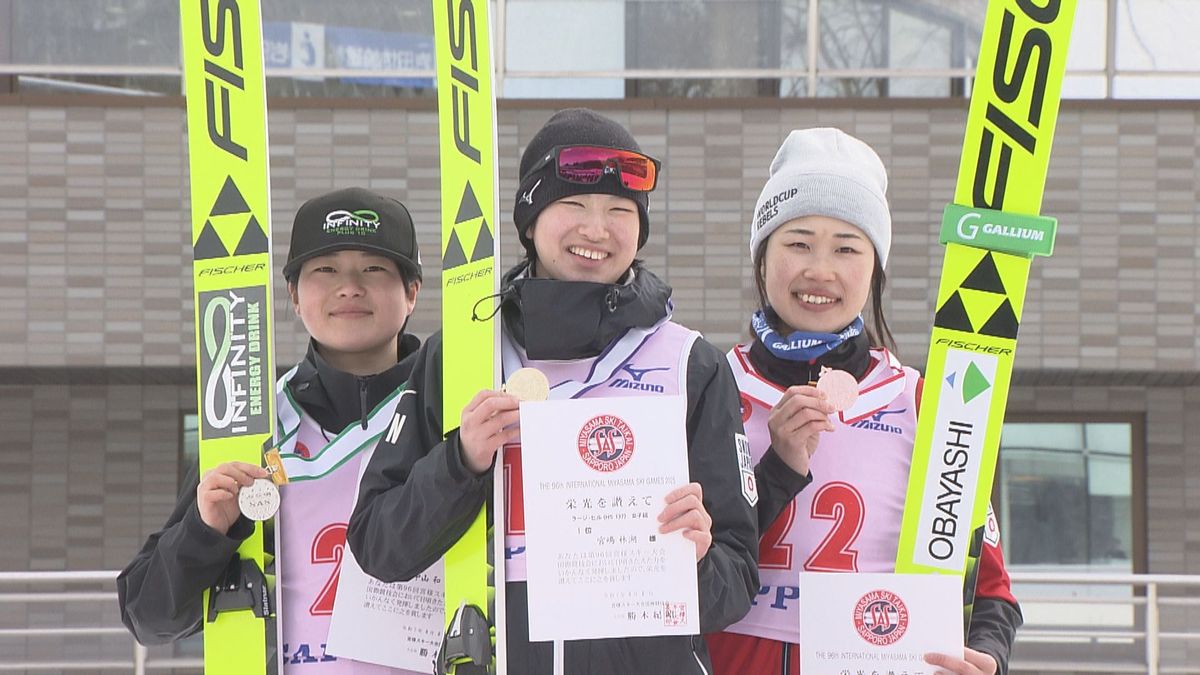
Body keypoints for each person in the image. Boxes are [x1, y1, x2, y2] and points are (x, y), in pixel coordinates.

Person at [347, 108, 759, 674]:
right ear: (531, 219)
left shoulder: (690, 363)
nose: (597, 230)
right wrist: (460, 463)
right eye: (573, 206)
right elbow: (378, 547)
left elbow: (735, 587)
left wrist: (699, 556)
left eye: (620, 210)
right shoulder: (465, 355)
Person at [705, 128, 1023, 675]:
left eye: (847, 248)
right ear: (763, 257)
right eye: (798, 242)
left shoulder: (925, 402)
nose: (820, 271)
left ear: (875, 267)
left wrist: (988, 659)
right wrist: (773, 468)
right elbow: (672, 565)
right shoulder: (709, 385)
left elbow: (990, 588)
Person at [118, 187, 426, 673]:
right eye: (324, 270)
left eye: (374, 269)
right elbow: (149, 617)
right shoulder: (255, 427)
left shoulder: (451, 416)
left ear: (412, 292)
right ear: (294, 296)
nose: (349, 287)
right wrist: (205, 530)